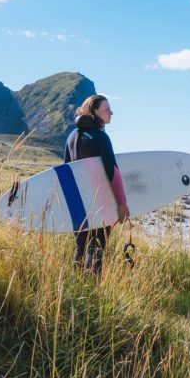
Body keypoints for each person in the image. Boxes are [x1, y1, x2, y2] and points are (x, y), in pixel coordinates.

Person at [64, 94, 129, 274]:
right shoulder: (100, 137)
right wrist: (122, 203)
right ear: (94, 111)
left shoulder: (71, 137)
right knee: (97, 249)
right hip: (100, 202)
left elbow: (66, 172)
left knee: (80, 247)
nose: (111, 113)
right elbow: (112, 172)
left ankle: (75, 286)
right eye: (107, 109)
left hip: (78, 203)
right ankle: (92, 291)